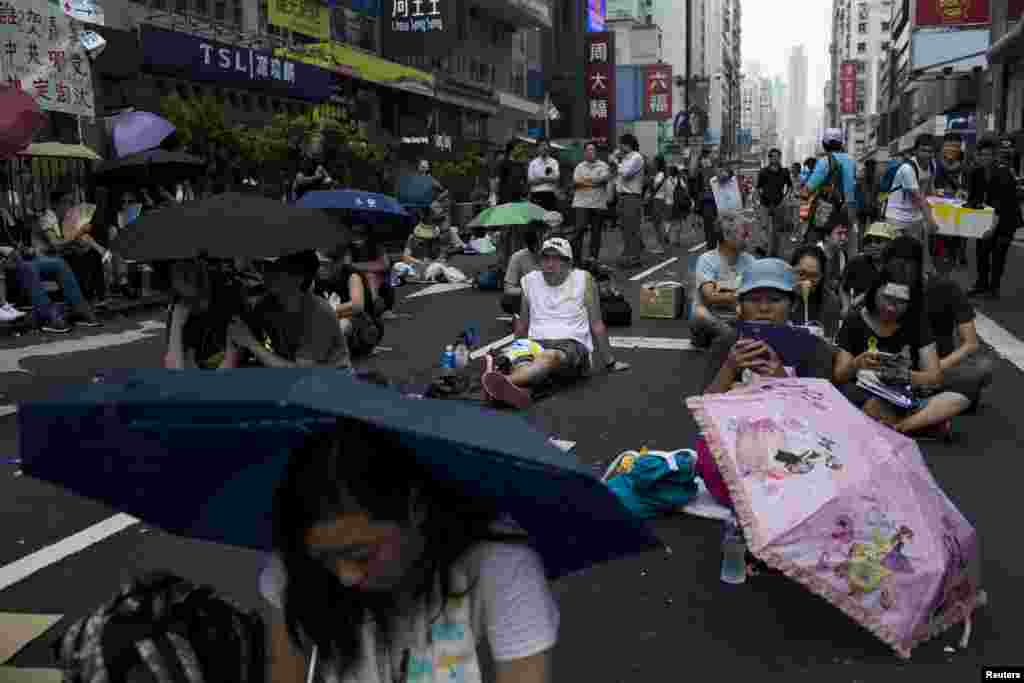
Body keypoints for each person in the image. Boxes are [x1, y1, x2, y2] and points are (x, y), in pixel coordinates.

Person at [263, 417, 559, 683]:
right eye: (324, 559)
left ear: (415, 509)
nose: (346, 577)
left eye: (360, 555)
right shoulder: (296, 562)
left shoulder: (500, 562)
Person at [481, 238, 630, 408]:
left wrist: (610, 362)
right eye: (546, 258)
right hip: (535, 342)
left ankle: (502, 382)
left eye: (557, 258)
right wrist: (514, 352)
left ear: (569, 263)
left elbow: (596, 323)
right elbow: (523, 324)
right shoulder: (530, 281)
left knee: (549, 356)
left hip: (571, 343)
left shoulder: (583, 279)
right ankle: (515, 387)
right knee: (524, 362)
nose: (550, 263)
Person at [833, 257, 962, 437]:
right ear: (875, 290)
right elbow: (839, 375)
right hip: (863, 394)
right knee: (850, 394)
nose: (891, 308)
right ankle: (913, 424)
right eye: (887, 298)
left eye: (901, 302)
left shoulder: (916, 322)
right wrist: (857, 363)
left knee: (957, 399)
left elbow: (935, 377)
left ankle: (897, 425)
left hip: (902, 395)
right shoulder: (855, 320)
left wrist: (905, 376)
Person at [887, 236, 994, 419]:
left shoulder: (947, 288)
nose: (902, 271)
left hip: (940, 364)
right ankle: (930, 400)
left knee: (984, 367)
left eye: (907, 264)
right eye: (897, 265)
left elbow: (971, 343)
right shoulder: (885, 290)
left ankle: (924, 396)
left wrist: (937, 367)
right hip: (902, 364)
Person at [704, 258, 838, 393]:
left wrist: (781, 380)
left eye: (775, 300)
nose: (763, 308)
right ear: (740, 304)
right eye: (753, 299)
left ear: (793, 305)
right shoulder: (725, 345)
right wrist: (730, 367)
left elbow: (820, 407)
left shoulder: (814, 348)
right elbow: (701, 407)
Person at [229, 250, 350, 368]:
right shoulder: (266, 305)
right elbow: (241, 338)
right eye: (264, 267)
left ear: (299, 276)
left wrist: (251, 343)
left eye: (276, 268)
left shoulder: (318, 313)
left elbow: (300, 373)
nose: (266, 272)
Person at [690, 212, 758, 349]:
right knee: (700, 314)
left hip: (738, 315)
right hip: (713, 317)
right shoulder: (707, 259)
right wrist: (737, 298)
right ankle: (730, 336)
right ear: (727, 236)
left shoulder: (750, 260)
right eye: (744, 235)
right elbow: (710, 296)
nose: (748, 239)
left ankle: (730, 337)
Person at [966, 135, 1022, 300]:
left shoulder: (1004, 173)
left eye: (989, 155)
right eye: (982, 155)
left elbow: (1001, 204)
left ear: (995, 155)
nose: (985, 158)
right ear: (977, 155)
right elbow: (974, 197)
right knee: (981, 252)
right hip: (986, 218)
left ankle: (993, 288)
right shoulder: (976, 172)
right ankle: (981, 284)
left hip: (1006, 220)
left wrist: (992, 227)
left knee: (998, 255)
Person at [164, 258, 246, 369]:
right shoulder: (179, 306)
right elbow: (174, 363)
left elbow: (235, 353)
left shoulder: (229, 296)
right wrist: (176, 322)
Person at [34, 185, 109, 305]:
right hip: (45, 257)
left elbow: (67, 242)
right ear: (55, 204)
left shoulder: (63, 220)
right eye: (66, 202)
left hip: (58, 255)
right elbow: (56, 244)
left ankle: (97, 296)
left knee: (89, 252)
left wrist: (84, 244)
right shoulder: (46, 219)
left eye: (70, 202)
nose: (69, 206)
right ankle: (88, 296)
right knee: (81, 255)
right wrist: (77, 236)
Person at [883, 134, 941, 276]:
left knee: (917, 251)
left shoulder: (932, 165)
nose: (927, 154)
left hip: (915, 215)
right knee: (894, 252)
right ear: (915, 151)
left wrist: (940, 201)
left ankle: (920, 278)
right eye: (923, 150)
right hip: (896, 216)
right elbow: (918, 198)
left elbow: (930, 189)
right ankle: (890, 281)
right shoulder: (907, 169)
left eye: (930, 151)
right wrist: (931, 219)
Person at [317, 255, 383, 360]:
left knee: (343, 323)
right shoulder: (315, 278)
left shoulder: (352, 275)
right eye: (318, 264)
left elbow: (357, 306)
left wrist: (325, 311)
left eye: (325, 265)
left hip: (363, 327)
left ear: (338, 264)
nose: (320, 268)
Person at [802, 129, 857, 249]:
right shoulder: (851, 160)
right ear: (841, 143)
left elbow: (808, 188)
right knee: (844, 242)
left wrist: (803, 193)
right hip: (848, 208)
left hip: (827, 208)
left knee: (814, 242)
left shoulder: (825, 161)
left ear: (824, 144)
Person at [840, 221, 896, 315]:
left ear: (890, 244)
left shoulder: (896, 266)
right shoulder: (857, 262)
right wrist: (846, 305)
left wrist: (865, 296)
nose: (873, 245)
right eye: (869, 241)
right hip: (860, 316)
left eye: (878, 241)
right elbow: (843, 287)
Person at [790, 245, 842, 339]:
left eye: (814, 276)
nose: (807, 281)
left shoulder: (830, 301)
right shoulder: (780, 296)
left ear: (822, 276)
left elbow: (829, 340)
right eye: (801, 274)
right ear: (791, 270)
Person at [571, 142, 611, 265]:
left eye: (592, 150)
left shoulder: (603, 166)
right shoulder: (579, 167)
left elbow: (604, 179)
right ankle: (576, 259)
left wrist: (586, 182)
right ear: (584, 152)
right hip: (581, 204)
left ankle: (593, 259)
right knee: (579, 230)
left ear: (596, 152)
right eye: (587, 150)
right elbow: (577, 183)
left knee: (596, 233)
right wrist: (595, 182)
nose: (590, 152)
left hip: (598, 204)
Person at [615, 134, 646, 266]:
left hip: (632, 197)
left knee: (631, 228)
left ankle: (634, 257)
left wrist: (616, 162)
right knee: (625, 228)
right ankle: (631, 254)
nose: (619, 147)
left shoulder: (636, 157)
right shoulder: (625, 158)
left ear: (627, 144)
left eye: (621, 144)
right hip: (622, 197)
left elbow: (626, 174)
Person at [756, 148, 793, 258]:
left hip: (779, 203)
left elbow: (790, 186)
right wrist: (758, 201)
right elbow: (758, 188)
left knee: (777, 230)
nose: (775, 158)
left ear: (780, 158)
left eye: (777, 156)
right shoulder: (763, 172)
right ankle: (764, 248)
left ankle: (774, 253)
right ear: (769, 158)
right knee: (764, 228)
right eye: (773, 156)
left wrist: (786, 198)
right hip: (765, 204)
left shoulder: (784, 172)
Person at [402, 209, 457, 280]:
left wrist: (432, 262)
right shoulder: (412, 238)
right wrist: (419, 262)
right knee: (398, 266)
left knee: (437, 267)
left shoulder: (438, 238)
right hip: (416, 267)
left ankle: (436, 276)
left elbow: (442, 257)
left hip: (431, 267)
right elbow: (405, 256)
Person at [501, 222, 542, 316]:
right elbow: (508, 289)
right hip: (529, 297)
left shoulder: (556, 256)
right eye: (541, 241)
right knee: (508, 300)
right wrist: (531, 290)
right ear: (533, 245)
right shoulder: (518, 257)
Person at [647, 156, 673, 255]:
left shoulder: (661, 174)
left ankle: (661, 246)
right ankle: (660, 245)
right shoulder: (661, 174)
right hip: (659, 200)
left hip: (658, 200)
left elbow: (654, 187)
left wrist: (651, 179)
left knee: (658, 224)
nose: (652, 164)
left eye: (654, 162)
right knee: (657, 224)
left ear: (658, 163)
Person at [527, 138, 560, 213]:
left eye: (546, 145)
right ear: (537, 148)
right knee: (537, 221)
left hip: (550, 195)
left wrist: (541, 179)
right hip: (536, 195)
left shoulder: (554, 162)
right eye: (541, 145)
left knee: (550, 221)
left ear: (549, 147)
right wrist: (548, 179)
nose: (544, 148)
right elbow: (530, 181)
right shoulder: (533, 163)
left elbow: (556, 178)